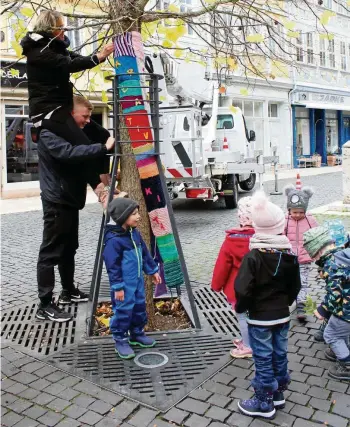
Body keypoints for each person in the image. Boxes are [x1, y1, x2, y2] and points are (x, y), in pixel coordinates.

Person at [36, 96, 116, 323]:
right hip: (56, 201)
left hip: (69, 200)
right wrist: (103, 147)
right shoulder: (48, 133)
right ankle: (44, 305)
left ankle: (68, 290)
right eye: (85, 116)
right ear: (70, 115)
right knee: (51, 252)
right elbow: (68, 154)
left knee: (69, 247)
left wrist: (102, 187)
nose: (88, 121)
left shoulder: (69, 133)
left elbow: (83, 160)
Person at [235, 191, 301, 420]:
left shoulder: (253, 256)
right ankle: (278, 393)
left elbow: (242, 289)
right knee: (280, 353)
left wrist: (242, 307)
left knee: (263, 357)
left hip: (260, 318)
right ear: (280, 226)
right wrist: (285, 303)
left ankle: (264, 402)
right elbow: (295, 286)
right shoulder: (289, 255)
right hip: (282, 316)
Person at [20, 10, 114, 151]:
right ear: (49, 29)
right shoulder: (38, 51)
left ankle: (102, 173)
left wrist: (99, 56)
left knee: (103, 136)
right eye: (60, 27)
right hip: (47, 112)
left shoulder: (56, 47)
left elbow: (77, 59)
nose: (64, 30)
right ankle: (95, 172)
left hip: (62, 108)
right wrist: (99, 56)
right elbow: (69, 64)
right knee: (84, 146)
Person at [103, 198, 161, 359]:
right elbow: (112, 266)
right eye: (134, 214)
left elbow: (144, 253)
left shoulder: (134, 233)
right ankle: (120, 339)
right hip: (124, 286)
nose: (138, 217)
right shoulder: (114, 241)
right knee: (123, 310)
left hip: (137, 282)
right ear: (122, 217)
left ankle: (137, 333)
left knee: (139, 306)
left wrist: (153, 271)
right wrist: (118, 287)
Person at [303, 226, 350, 381]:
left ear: (318, 252)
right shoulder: (344, 256)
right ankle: (343, 350)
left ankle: (346, 364)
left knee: (331, 334)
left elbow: (335, 294)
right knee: (342, 331)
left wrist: (323, 310)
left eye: (314, 257)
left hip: (347, 309)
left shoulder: (332, 264)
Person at [211, 197, 254, 358]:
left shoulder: (232, 240)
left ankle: (248, 346)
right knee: (256, 316)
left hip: (238, 289)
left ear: (241, 218)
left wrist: (216, 285)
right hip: (260, 288)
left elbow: (223, 265)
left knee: (243, 317)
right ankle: (254, 341)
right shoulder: (264, 238)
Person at [284, 175, 318, 321]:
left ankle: (301, 306)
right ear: (289, 210)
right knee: (287, 281)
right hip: (288, 258)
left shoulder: (310, 220)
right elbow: (280, 236)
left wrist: (317, 254)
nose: (297, 215)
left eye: (301, 212)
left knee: (303, 282)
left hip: (304, 258)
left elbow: (316, 237)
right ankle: (284, 303)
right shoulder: (284, 220)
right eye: (294, 212)